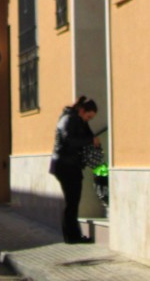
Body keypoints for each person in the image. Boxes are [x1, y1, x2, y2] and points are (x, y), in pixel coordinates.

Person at [49, 95, 100, 244]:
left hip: (70, 165)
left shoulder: (78, 120)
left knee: (73, 201)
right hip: (65, 165)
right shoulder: (68, 119)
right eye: (88, 116)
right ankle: (72, 237)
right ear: (82, 110)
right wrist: (90, 140)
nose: (88, 120)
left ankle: (73, 236)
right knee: (72, 202)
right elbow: (69, 140)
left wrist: (91, 138)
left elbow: (86, 136)